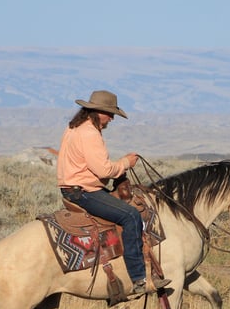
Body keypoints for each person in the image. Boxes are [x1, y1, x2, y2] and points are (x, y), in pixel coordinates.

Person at [56, 90, 170, 297]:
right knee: (130, 216)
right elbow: (104, 171)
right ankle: (138, 279)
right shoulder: (89, 133)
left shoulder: (75, 128)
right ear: (98, 112)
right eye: (110, 114)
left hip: (74, 188)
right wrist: (126, 162)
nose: (112, 119)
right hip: (84, 192)